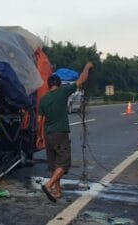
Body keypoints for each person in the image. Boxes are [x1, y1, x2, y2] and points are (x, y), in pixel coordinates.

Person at [37, 62, 93, 202]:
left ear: (49, 85)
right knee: (63, 164)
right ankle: (49, 185)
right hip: (60, 134)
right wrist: (86, 67)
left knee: (54, 165)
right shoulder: (63, 92)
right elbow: (81, 80)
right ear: (59, 84)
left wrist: (39, 136)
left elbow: (39, 121)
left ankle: (58, 191)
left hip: (48, 134)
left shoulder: (43, 99)